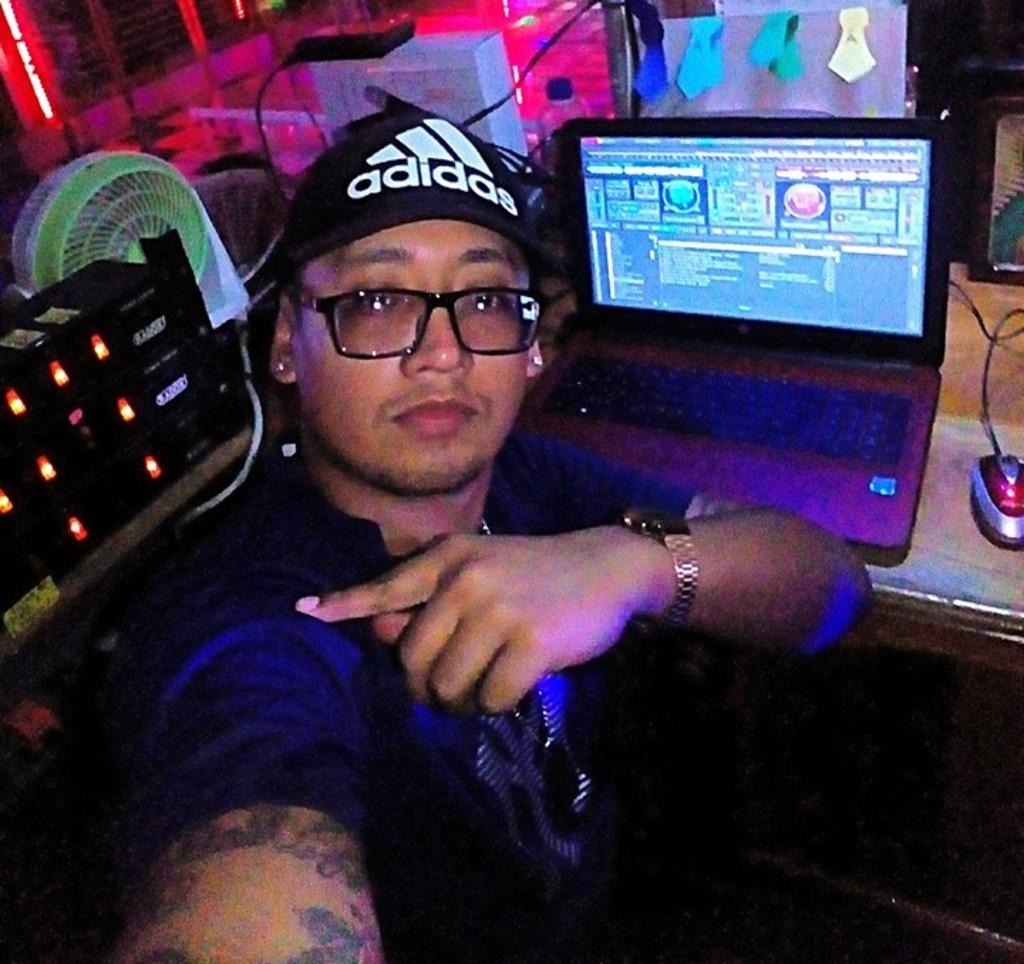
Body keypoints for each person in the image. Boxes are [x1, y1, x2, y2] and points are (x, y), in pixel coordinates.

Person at [107, 107, 871, 963]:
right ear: (287, 341)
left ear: (533, 347)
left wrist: (635, 566)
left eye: (483, 301)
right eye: (377, 301)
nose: (443, 353)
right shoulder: (243, 624)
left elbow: (834, 589)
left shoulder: (532, 478)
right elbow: (241, 865)